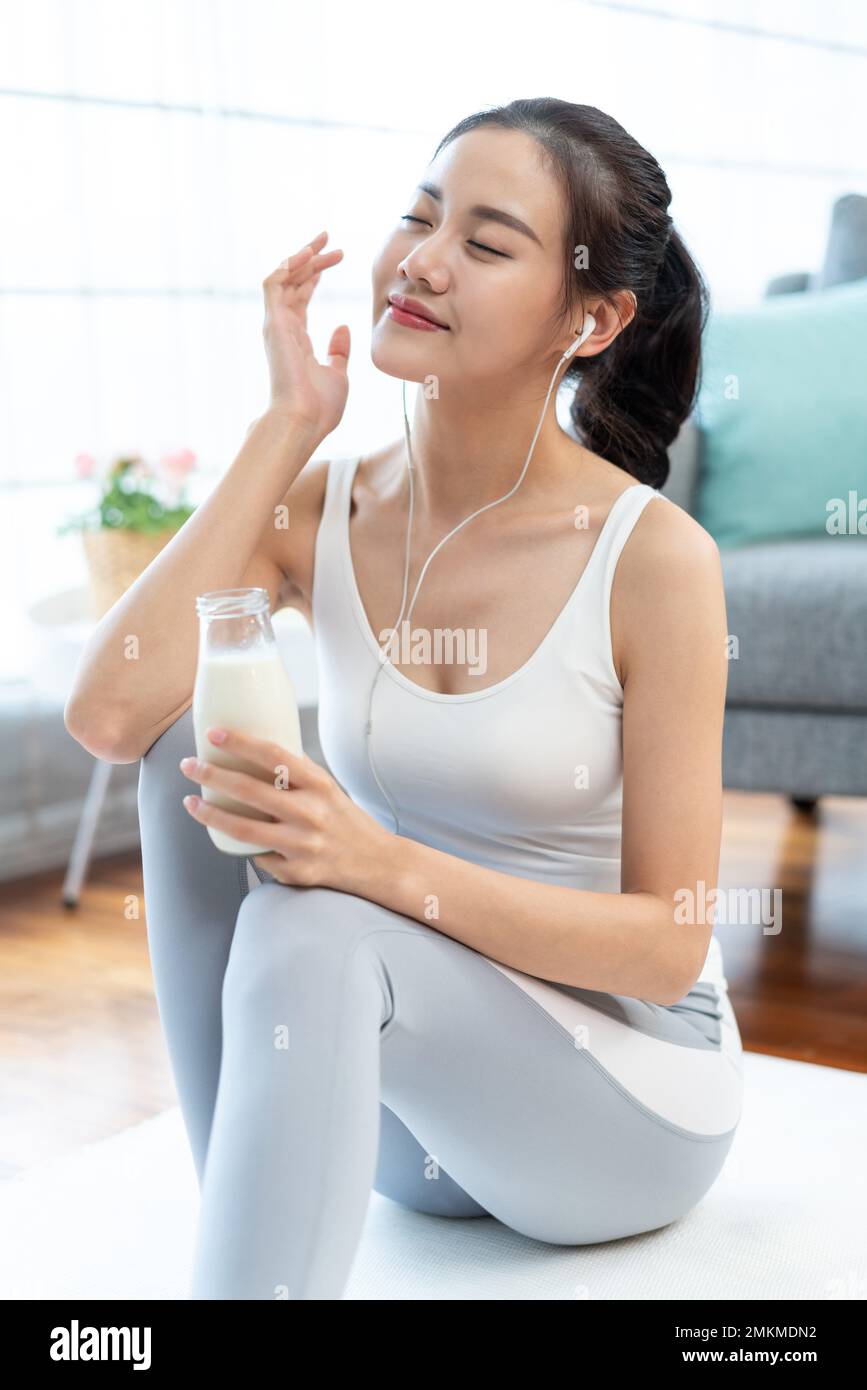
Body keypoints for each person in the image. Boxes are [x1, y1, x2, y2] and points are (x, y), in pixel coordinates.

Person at [66, 98, 744, 1301]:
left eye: (486, 244)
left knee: (313, 917)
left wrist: (377, 866)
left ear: (590, 319)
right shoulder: (323, 509)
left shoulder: (653, 559)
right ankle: (250, 1232)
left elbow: (667, 943)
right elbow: (111, 717)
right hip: (425, 1119)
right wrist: (289, 426)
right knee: (191, 745)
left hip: (621, 1112)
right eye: (419, 216)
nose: (422, 260)